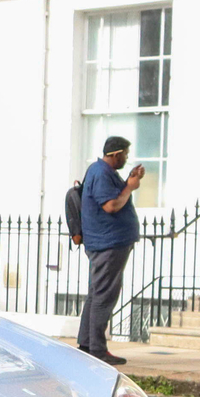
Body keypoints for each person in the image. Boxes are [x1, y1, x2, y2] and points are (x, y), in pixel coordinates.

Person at [76, 136, 143, 364]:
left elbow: (113, 197)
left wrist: (128, 182)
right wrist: (131, 188)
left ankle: (87, 344)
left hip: (107, 243)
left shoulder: (101, 172)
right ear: (115, 154)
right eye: (125, 154)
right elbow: (111, 205)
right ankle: (97, 349)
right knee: (104, 296)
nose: (126, 158)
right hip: (108, 244)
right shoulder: (102, 173)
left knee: (97, 293)